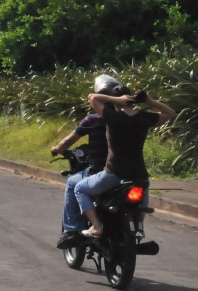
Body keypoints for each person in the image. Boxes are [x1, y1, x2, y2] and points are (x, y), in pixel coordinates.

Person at [73, 75, 175, 238]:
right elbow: (170, 112)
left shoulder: (113, 117)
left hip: (114, 173)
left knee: (79, 188)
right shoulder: (144, 118)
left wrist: (116, 99)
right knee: (143, 191)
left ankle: (96, 226)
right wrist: (148, 100)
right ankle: (139, 226)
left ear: (117, 101)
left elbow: (93, 97)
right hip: (139, 174)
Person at [50, 109, 107, 249]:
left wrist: (57, 149)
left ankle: (73, 229)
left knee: (73, 183)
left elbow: (68, 141)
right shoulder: (132, 118)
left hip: (101, 172)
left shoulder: (93, 119)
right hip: (131, 174)